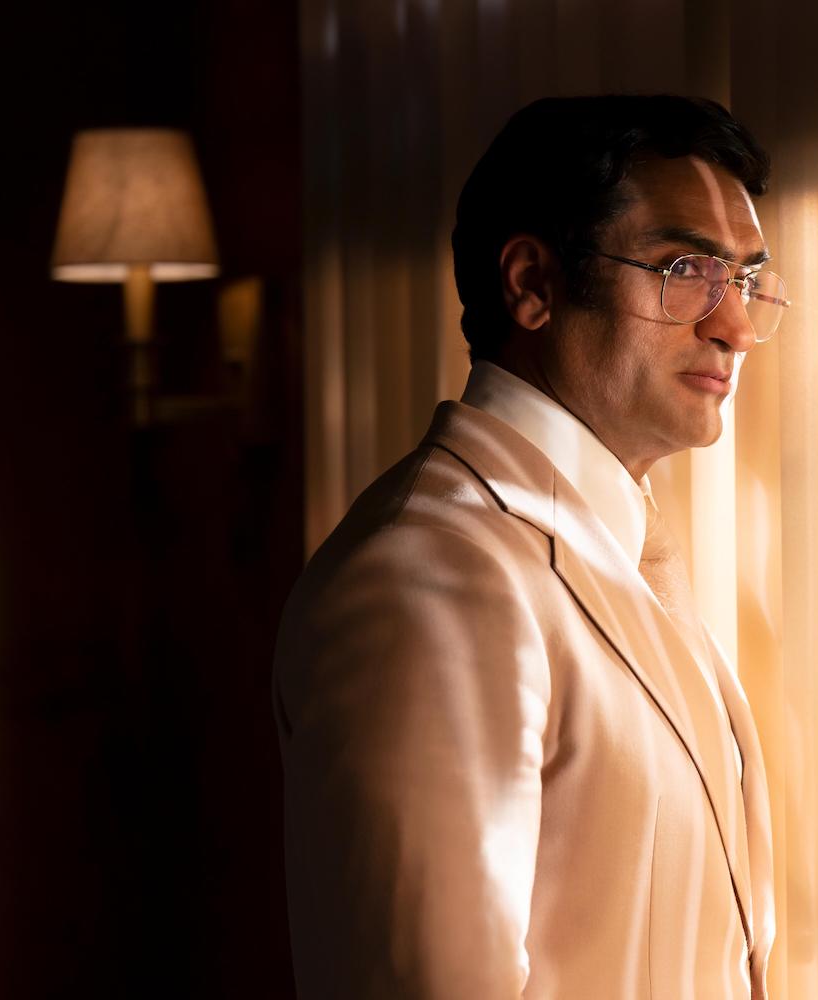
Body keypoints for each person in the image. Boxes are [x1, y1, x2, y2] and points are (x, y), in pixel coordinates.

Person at [273, 94, 790, 999]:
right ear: (532, 284)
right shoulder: (431, 578)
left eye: (745, 279)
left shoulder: (619, 549)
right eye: (684, 268)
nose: (735, 326)